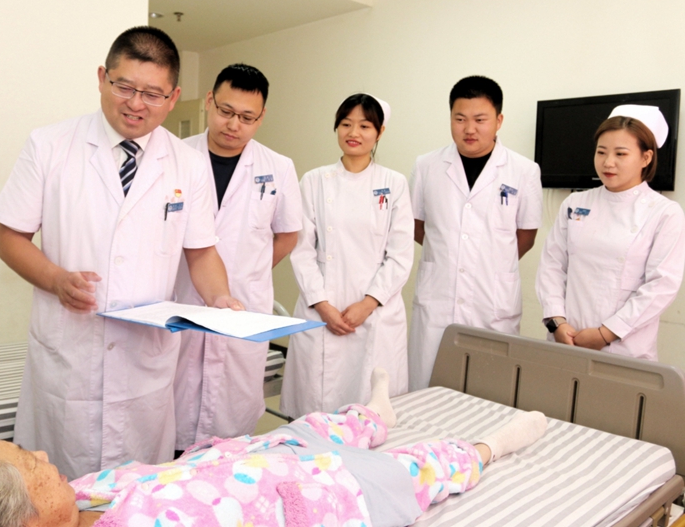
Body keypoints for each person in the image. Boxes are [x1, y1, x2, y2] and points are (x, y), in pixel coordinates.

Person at [0, 26, 242, 479]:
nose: (136, 104)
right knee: (54, 491)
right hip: (70, 356)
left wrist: (220, 298)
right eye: (124, 86)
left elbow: (202, 253)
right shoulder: (49, 145)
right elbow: (9, 238)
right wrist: (56, 280)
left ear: (173, 97)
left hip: (144, 364)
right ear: (102, 77)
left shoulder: (187, 163)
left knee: (137, 490)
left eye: (152, 94)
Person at [0, 369, 548, 527]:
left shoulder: (80, 496)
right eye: (32, 467)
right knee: (414, 469)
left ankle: (375, 413)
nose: (45, 458)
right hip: (321, 498)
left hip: (255, 457)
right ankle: (489, 448)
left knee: (319, 426)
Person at [172, 64, 302, 452]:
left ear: (261, 118)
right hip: (182, 300)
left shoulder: (278, 167)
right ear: (209, 101)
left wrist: (250, 271)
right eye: (226, 111)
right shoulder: (175, 156)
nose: (234, 125)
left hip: (244, 305)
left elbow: (288, 235)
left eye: (247, 117)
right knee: (171, 416)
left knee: (232, 429)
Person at [280, 94, 414, 419]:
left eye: (364, 126)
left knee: (371, 413)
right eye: (346, 124)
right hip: (321, 310)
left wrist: (368, 303)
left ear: (379, 132)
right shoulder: (314, 181)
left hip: (376, 312)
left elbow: (400, 255)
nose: (353, 133)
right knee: (316, 415)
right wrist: (323, 305)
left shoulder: (393, 184)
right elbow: (301, 250)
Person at [409, 76, 543, 390]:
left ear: (498, 121)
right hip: (438, 297)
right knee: (428, 385)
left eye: (480, 120)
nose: (469, 129)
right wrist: (450, 252)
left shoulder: (523, 170)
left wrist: (490, 259)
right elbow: (415, 224)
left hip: (491, 299)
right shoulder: (427, 165)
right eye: (460, 119)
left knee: (490, 389)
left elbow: (526, 234)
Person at [536, 105, 685, 360]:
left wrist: (606, 333)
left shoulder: (665, 213)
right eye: (601, 152)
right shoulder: (575, 203)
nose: (608, 162)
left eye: (621, 154)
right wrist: (556, 322)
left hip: (624, 348)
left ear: (646, 158)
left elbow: (661, 286)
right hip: (567, 339)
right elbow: (552, 266)